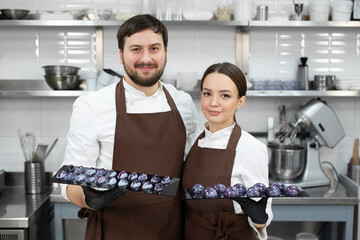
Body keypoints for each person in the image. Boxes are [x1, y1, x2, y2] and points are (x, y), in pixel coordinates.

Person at [60, 14, 199, 240]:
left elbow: (193, 170)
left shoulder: (183, 103)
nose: (146, 58)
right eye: (136, 49)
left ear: (165, 53)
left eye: (154, 48)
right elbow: (69, 183)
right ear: (121, 55)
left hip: (172, 229)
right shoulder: (91, 106)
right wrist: (88, 197)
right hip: (115, 230)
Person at [182, 62, 273, 240]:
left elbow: (262, 216)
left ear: (240, 102)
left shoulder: (251, 148)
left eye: (225, 95)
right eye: (207, 93)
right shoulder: (190, 142)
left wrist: (259, 217)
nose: (213, 103)